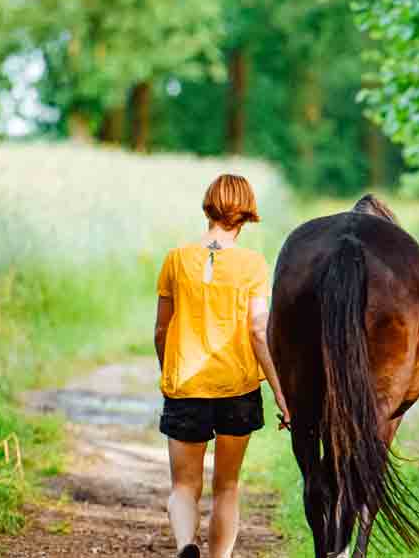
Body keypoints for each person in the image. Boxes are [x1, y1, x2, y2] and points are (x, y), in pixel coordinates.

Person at [153, 174, 290, 558]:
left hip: (187, 388)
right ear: (246, 215)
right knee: (227, 486)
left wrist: (169, 373)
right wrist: (281, 394)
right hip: (239, 389)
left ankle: (185, 545)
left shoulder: (176, 259)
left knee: (183, 486)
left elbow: (162, 328)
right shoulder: (253, 265)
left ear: (208, 206)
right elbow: (259, 331)